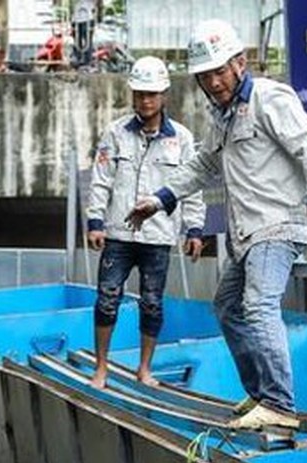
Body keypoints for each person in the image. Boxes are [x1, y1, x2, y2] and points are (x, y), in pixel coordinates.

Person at [126, 19, 307, 430]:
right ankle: (261, 396)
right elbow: (205, 163)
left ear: (240, 63)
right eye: (205, 75)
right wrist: (160, 200)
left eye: (219, 71)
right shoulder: (224, 117)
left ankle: (280, 405)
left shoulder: (269, 98)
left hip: (277, 225)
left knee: (259, 306)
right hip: (249, 235)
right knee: (228, 306)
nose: (213, 81)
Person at [87, 56, 205, 389]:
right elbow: (101, 179)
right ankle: (101, 369)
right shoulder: (115, 132)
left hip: (159, 236)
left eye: (151, 94)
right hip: (119, 234)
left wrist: (194, 229)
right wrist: (95, 220)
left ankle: (144, 369)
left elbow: (190, 186)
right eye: (139, 94)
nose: (145, 101)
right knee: (107, 297)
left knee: (152, 302)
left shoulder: (181, 138)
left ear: (164, 94)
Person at [71, 0, 97, 68]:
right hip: (76, 18)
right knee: (77, 40)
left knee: (87, 40)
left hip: (87, 17)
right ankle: (77, 58)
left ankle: (87, 60)